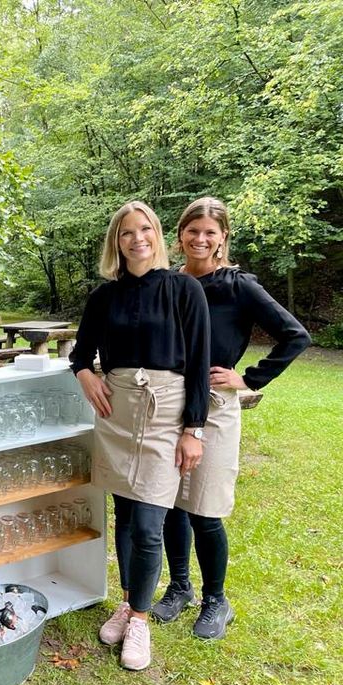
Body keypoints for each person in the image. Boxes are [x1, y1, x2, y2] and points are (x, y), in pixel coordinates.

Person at [150, 197, 311, 639]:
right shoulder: (167, 282)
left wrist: (248, 378)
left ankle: (215, 600)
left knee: (203, 508)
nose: (200, 239)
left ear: (223, 238)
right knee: (170, 505)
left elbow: (295, 335)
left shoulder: (238, 286)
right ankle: (179, 587)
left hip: (215, 409)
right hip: (167, 404)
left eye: (210, 233)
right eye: (192, 231)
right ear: (179, 234)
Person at [70, 200, 210, 671]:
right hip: (116, 411)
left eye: (145, 229)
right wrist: (85, 375)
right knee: (125, 517)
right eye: (127, 232)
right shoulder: (103, 297)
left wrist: (194, 429)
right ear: (117, 242)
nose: (137, 239)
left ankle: (141, 620)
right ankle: (129, 602)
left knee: (151, 525)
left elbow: (198, 365)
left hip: (166, 412)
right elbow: (80, 353)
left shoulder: (184, 289)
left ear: (157, 234)